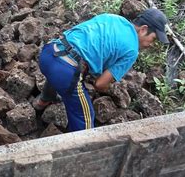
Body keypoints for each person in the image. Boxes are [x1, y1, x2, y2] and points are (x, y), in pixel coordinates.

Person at [34, 8, 170, 132]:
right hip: (65, 70)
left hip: (49, 52)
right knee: (86, 118)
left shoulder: (114, 18)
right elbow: (100, 84)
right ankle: (82, 153)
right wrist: (111, 91)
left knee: (59, 75)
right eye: (153, 39)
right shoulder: (132, 50)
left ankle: (42, 102)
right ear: (143, 29)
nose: (150, 45)